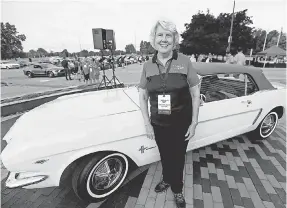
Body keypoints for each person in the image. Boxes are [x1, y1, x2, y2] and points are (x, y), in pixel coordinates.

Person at [138, 19, 200, 208]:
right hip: (158, 123)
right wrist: (148, 123)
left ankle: (177, 189)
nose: (164, 39)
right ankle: (167, 178)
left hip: (181, 123)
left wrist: (194, 122)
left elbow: (196, 93)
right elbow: (143, 96)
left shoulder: (185, 62)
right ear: (153, 39)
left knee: (178, 156)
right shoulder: (147, 65)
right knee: (165, 154)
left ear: (174, 40)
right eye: (160, 35)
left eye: (168, 35)